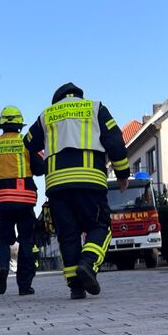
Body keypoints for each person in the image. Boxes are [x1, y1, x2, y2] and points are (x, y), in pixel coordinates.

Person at [24, 82, 129, 299]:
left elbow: (28, 144)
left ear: (58, 99)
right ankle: (88, 264)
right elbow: (115, 141)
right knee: (100, 226)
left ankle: (76, 287)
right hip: (90, 180)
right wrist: (122, 174)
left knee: (68, 234)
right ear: (79, 95)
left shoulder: (48, 114)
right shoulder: (96, 107)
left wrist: (42, 164)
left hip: (57, 185)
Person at [0, 105, 44, 296]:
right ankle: (24, 285)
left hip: (1, 203)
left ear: (2, 125)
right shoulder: (27, 144)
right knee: (26, 241)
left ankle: (3, 267)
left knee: (4, 239)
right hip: (25, 201)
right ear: (19, 125)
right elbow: (40, 168)